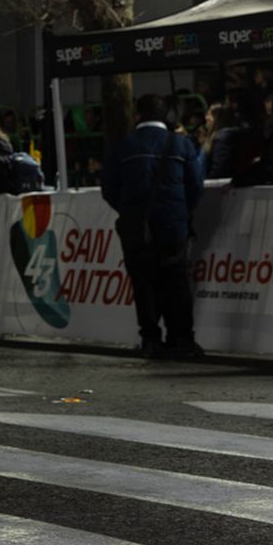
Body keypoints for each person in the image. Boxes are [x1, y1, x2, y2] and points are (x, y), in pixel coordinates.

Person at [102, 94, 206, 360]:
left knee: (144, 283)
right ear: (167, 116)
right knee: (177, 282)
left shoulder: (123, 146)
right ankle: (181, 338)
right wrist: (181, 212)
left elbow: (109, 189)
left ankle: (150, 338)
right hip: (173, 225)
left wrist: (130, 212)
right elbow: (195, 186)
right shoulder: (182, 145)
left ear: (138, 114)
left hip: (136, 227)